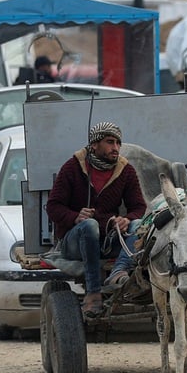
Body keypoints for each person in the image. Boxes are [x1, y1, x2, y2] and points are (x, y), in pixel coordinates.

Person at [46, 122, 147, 318]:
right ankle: (93, 293)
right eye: (110, 142)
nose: (115, 148)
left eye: (118, 143)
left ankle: (118, 271)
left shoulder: (126, 170)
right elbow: (53, 207)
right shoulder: (72, 167)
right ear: (94, 145)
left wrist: (126, 219)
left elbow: (139, 208)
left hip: (108, 240)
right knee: (89, 226)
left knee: (139, 225)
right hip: (74, 241)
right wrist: (75, 217)